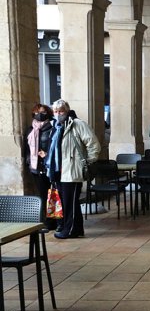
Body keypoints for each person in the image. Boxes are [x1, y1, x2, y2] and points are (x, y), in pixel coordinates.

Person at [46, 99, 101, 239]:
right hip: (58, 170)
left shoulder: (77, 124)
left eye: (61, 111)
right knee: (65, 202)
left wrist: (87, 162)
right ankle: (74, 228)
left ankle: (69, 230)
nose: (58, 114)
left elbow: (93, 144)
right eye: (56, 111)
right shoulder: (56, 126)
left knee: (70, 202)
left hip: (71, 169)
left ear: (67, 110)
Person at [23, 104, 57, 230]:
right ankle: (46, 220)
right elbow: (26, 148)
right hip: (35, 167)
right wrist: (29, 161)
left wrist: (47, 155)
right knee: (42, 194)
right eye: (37, 112)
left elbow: (55, 148)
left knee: (51, 194)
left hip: (48, 166)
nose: (40, 115)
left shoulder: (52, 129)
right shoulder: (30, 129)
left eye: (43, 112)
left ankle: (52, 221)